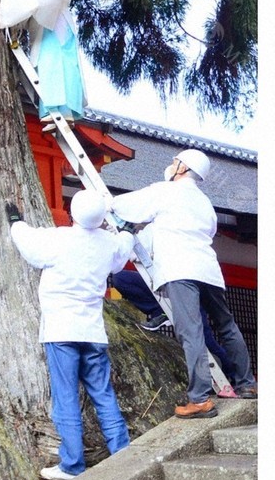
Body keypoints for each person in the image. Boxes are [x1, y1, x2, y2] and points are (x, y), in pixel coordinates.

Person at [110, 149, 257, 419]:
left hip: (180, 269)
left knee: (191, 332)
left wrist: (99, 204)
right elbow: (211, 231)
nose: (171, 165)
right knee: (226, 326)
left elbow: (124, 206)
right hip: (210, 270)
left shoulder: (165, 191)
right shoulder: (204, 203)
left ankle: (199, 399)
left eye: (175, 162)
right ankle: (246, 383)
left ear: (181, 168)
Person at [6, 190, 133, 480]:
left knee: (66, 398)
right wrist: (126, 230)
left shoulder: (58, 239)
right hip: (93, 332)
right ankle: (124, 456)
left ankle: (72, 465)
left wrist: (15, 220)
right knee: (103, 394)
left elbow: (28, 243)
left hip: (61, 330)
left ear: (72, 212)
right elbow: (122, 250)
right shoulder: (108, 244)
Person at [111, 267, 236, 383]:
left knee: (206, 342)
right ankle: (161, 312)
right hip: (159, 283)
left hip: (186, 288)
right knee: (121, 278)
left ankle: (235, 375)